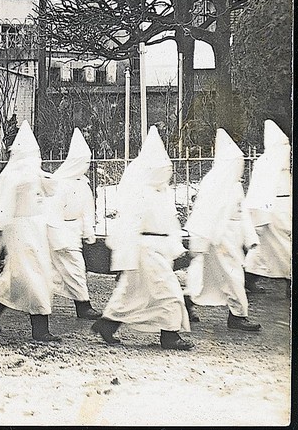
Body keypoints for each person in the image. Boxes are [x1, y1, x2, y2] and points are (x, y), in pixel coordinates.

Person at [91, 127, 194, 350]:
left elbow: (171, 224)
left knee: (133, 294)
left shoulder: (163, 193)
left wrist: (175, 248)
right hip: (145, 250)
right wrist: (125, 258)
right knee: (168, 292)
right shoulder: (141, 193)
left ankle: (107, 324)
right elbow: (129, 225)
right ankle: (170, 335)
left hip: (157, 249)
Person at [0, 121, 61, 342]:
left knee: (15, 277)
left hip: (34, 231)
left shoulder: (32, 174)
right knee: (34, 277)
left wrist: (42, 176)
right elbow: (5, 201)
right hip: (21, 231)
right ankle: (40, 328)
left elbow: (52, 189)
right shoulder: (15, 175)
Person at [183, 129, 261, 331]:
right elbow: (202, 213)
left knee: (208, 278)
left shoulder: (234, 186)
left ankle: (188, 300)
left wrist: (250, 238)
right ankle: (238, 315)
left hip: (231, 239)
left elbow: (242, 213)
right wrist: (199, 243)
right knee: (233, 277)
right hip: (217, 239)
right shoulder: (213, 182)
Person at [46, 128, 103, 320]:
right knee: (75, 269)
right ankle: (83, 306)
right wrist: (58, 238)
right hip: (60, 234)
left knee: (57, 274)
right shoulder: (60, 183)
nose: (86, 166)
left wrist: (88, 230)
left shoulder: (83, 184)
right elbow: (52, 213)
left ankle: (34, 304)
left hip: (73, 232)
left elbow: (87, 210)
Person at [243, 120, 292, 294]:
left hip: (283, 210)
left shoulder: (283, 167)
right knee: (281, 248)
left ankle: (249, 278)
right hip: (271, 213)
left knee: (264, 251)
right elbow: (258, 191)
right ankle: (289, 283)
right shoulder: (266, 163)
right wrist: (260, 216)